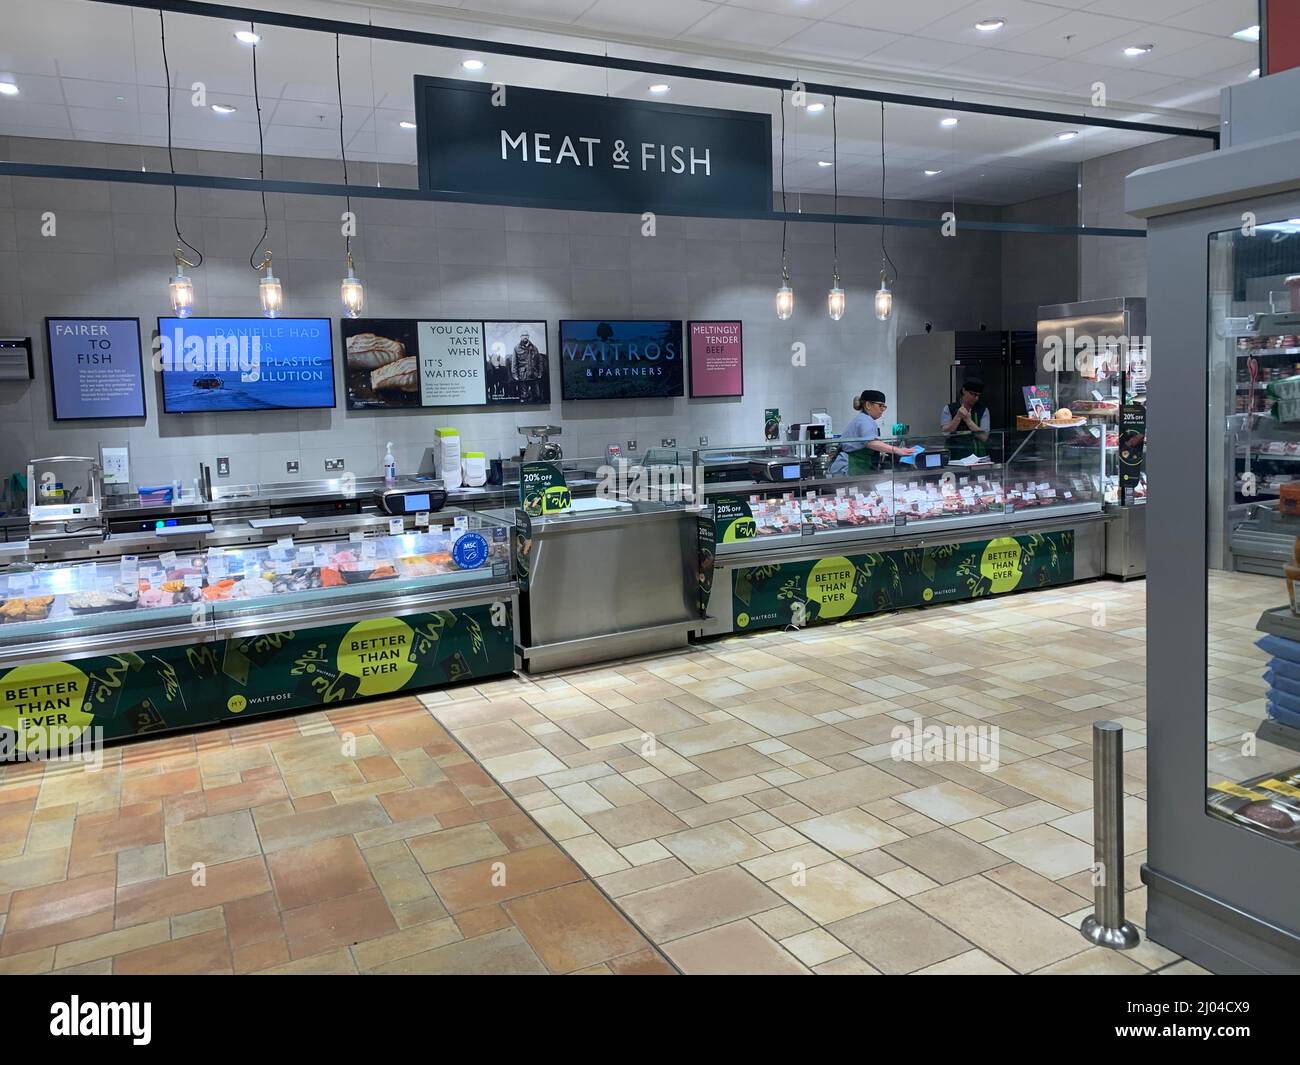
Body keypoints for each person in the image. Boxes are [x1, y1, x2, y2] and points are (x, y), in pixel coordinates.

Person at [831, 390, 917, 475]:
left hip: (852, 466)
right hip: (849, 467)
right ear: (868, 405)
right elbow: (871, 442)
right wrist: (898, 450)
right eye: (880, 406)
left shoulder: (863, 418)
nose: (883, 409)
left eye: (884, 406)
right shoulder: (865, 420)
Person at [940, 379, 991, 459]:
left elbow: (984, 437)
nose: (976, 398)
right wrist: (958, 417)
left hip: (978, 457)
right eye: (973, 394)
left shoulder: (983, 410)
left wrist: (968, 420)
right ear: (964, 390)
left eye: (978, 395)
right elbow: (945, 433)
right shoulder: (949, 409)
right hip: (955, 457)